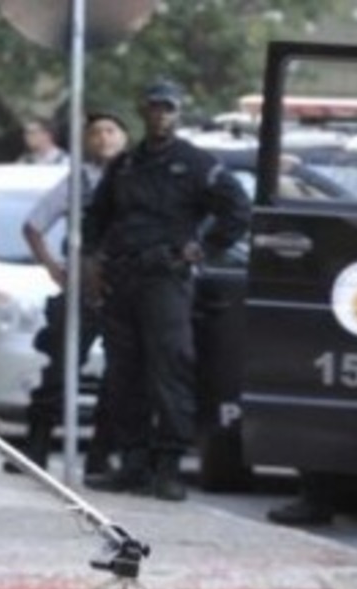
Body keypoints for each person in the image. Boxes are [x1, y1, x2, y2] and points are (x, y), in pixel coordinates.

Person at [82, 80, 251, 501]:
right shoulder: (124, 165)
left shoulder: (195, 163)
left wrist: (204, 248)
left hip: (165, 279)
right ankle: (133, 463)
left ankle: (170, 466)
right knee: (124, 375)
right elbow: (96, 215)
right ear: (142, 111)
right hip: (123, 280)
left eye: (168, 109)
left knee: (170, 371)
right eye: (153, 108)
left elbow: (237, 209)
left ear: (178, 113)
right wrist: (92, 260)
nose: (160, 115)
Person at [9, 109, 130, 476]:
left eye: (111, 131)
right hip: (82, 286)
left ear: (125, 137)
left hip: (124, 286)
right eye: (96, 133)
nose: (104, 138)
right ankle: (37, 449)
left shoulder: (138, 176)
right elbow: (34, 225)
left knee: (121, 375)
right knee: (61, 369)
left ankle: (101, 455)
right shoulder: (79, 180)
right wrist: (53, 268)